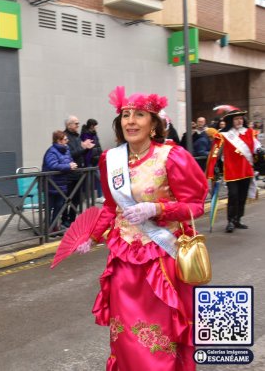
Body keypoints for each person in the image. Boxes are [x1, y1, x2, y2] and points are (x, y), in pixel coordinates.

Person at [79, 86, 208, 370]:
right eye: (126, 115)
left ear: (153, 124)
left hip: (161, 260)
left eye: (139, 115)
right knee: (126, 336)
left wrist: (158, 208)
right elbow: (112, 207)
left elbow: (196, 204)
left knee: (160, 337)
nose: (131, 121)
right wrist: (93, 235)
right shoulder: (111, 160)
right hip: (124, 261)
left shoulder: (172, 156)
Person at [206, 108, 262, 233]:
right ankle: (230, 221)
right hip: (231, 171)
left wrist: (260, 152)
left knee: (242, 197)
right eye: (236, 119)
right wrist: (214, 167)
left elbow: (257, 147)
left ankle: (238, 219)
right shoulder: (224, 135)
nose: (239, 121)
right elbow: (216, 153)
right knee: (233, 196)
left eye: (241, 118)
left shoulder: (249, 133)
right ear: (231, 121)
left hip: (246, 171)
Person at [42, 130, 77, 230]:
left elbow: (69, 161)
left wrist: (72, 164)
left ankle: (54, 227)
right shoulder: (51, 151)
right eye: (65, 139)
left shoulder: (67, 150)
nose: (67, 140)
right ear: (59, 141)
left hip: (62, 184)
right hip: (50, 184)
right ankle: (47, 229)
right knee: (49, 207)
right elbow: (53, 165)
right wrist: (68, 166)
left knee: (59, 207)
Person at [63, 116, 94, 226]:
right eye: (76, 123)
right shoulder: (65, 137)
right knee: (67, 198)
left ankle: (72, 220)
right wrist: (84, 148)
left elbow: (79, 153)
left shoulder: (76, 136)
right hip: (69, 174)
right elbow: (71, 154)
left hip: (78, 172)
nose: (78, 125)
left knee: (76, 199)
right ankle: (64, 220)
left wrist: (87, 148)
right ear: (69, 125)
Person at [80, 119, 104, 203]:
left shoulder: (94, 134)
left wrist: (101, 155)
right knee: (88, 179)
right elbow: (86, 147)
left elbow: (98, 146)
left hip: (96, 159)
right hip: (89, 160)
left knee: (99, 178)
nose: (97, 127)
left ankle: (100, 196)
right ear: (91, 126)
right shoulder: (85, 135)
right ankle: (87, 197)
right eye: (95, 125)